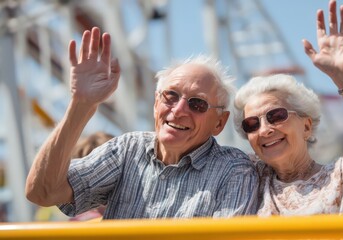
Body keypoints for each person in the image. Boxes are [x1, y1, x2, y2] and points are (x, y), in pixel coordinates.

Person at [25, 27, 258, 219]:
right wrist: (81, 104)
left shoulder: (234, 169)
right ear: (156, 103)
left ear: (219, 123)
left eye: (197, 104)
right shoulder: (128, 149)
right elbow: (43, 192)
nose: (178, 110)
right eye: (171, 96)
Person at [233, 0, 343, 216]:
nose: (264, 129)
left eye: (276, 115)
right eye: (251, 124)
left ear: (306, 126)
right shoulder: (248, 181)